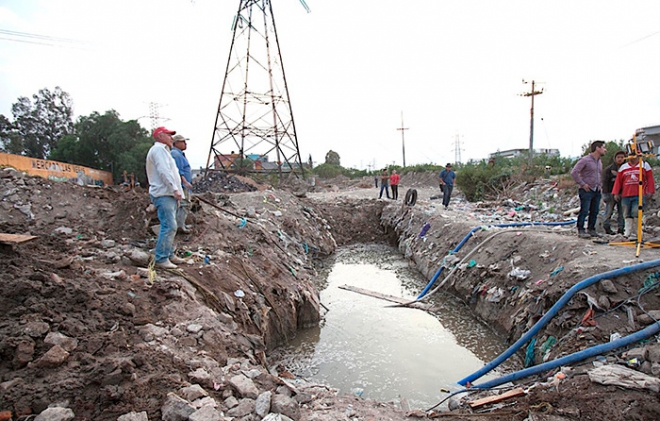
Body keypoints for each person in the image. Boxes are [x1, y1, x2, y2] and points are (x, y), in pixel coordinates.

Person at [146, 126, 186, 269]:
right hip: (164, 193)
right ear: (160, 136)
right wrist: (175, 189)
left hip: (169, 194)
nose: (171, 138)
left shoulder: (165, 151)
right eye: (169, 135)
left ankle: (169, 254)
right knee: (169, 226)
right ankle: (162, 258)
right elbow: (164, 172)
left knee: (171, 225)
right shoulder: (158, 150)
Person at [612, 152, 655, 240]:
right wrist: (616, 192)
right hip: (626, 194)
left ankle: (638, 231)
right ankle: (627, 232)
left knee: (636, 212)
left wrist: (650, 191)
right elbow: (618, 181)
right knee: (626, 213)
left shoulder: (644, 165)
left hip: (639, 194)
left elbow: (650, 179)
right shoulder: (624, 167)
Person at [570, 140, 607, 238]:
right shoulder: (585, 160)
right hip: (586, 190)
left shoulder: (599, 162)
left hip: (596, 190)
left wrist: (600, 185)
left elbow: (599, 174)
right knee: (585, 210)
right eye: (603, 147)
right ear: (597, 148)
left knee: (595, 211)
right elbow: (574, 172)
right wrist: (582, 184)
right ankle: (581, 229)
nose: (605, 150)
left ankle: (591, 229)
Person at [171, 134, 193, 234]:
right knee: (184, 204)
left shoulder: (179, 154)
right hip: (182, 186)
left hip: (183, 185)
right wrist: (185, 182)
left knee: (184, 204)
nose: (186, 144)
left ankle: (181, 224)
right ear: (176, 143)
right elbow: (178, 170)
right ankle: (180, 226)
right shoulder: (175, 154)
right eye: (183, 142)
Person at [601, 150, 626, 235]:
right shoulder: (609, 170)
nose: (620, 159)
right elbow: (605, 182)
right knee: (609, 211)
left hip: (623, 194)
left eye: (622, 157)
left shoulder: (626, 169)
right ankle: (606, 227)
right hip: (610, 193)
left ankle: (621, 229)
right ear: (615, 158)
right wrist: (605, 194)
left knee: (622, 212)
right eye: (618, 157)